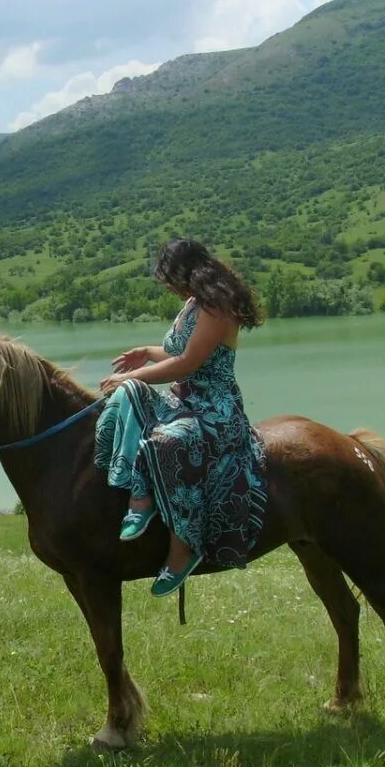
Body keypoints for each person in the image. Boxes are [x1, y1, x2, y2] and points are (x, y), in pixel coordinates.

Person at [94, 238, 267, 598]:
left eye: (170, 278)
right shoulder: (193, 303)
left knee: (170, 439)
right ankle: (131, 494)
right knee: (127, 396)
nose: (169, 286)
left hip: (214, 409)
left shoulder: (218, 305)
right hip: (184, 398)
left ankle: (183, 550)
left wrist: (130, 375)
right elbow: (176, 351)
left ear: (185, 271)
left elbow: (189, 363)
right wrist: (146, 353)